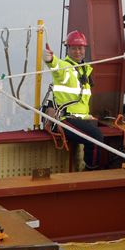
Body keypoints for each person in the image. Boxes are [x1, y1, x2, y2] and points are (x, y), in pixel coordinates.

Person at [44, 30, 105, 169]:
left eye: (80, 48)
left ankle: (90, 168)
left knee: (99, 134)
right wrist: (50, 59)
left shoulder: (85, 70)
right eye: (74, 48)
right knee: (96, 138)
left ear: (84, 49)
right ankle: (91, 172)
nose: (77, 51)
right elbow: (56, 65)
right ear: (68, 50)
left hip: (80, 119)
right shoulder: (65, 68)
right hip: (65, 119)